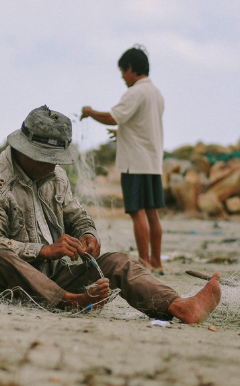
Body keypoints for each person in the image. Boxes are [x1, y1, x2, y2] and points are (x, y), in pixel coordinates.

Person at [0, 106, 220, 323]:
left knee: (119, 262)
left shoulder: (55, 175)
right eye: (47, 160)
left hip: (55, 278)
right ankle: (70, 302)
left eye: (57, 160)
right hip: (10, 284)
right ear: (25, 150)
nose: (53, 167)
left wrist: (88, 234)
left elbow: (78, 216)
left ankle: (180, 307)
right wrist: (44, 251)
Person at [81, 46, 166, 273]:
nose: (123, 78)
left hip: (135, 162)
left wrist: (90, 112)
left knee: (136, 211)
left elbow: (112, 117)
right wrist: (122, 133)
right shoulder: (156, 93)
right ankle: (157, 261)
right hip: (153, 161)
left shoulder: (135, 92)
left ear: (130, 68)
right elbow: (142, 126)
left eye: (123, 72)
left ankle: (145, 261)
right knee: (152, 212)